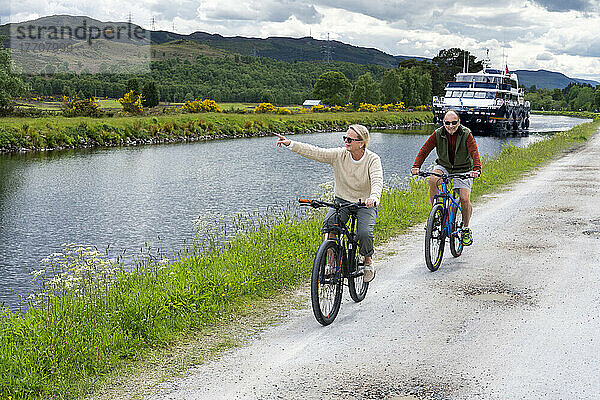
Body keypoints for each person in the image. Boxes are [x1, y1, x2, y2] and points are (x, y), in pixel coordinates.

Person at [274, 125, 383, 282]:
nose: (346, 141)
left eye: (350, 139)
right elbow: (316, 152)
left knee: (364, 234)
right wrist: (290, 143)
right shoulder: (339, 155)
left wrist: (373, 197)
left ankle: (367, 261)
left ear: (362, 142)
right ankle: (330, 265)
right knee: (330, 225)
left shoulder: (373, 159)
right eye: (345, 138)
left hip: (365, 203)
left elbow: (377, 180)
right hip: (342, 200)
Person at [411, 110, 481, 246]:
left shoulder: (466, 134)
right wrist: (416, 166)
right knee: (432, 179)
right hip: (444, 166)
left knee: (464, 199)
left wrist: (476, 169)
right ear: (443, 123)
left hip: (464, 168)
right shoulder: (438, 133)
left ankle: (466, 228)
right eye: (447, 123)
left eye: (454, 123)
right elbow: (425, 150)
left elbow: (474, 152)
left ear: (459, 122)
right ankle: (435, 214)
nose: (450, 126)